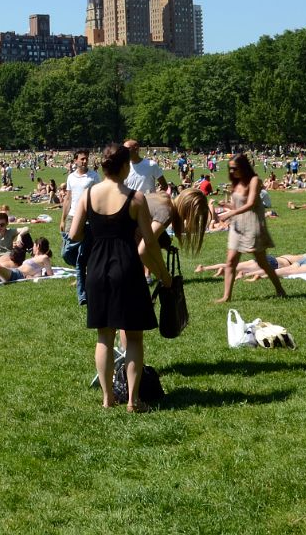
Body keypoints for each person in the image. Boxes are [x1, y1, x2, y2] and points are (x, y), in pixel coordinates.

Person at [68, 143, 172, 412]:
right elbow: (149, 243)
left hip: (97, 268)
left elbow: (75, 234)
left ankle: (107, 398)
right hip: (126, 268)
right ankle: (133, 401)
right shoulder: (136, 198)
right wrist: (162, 273)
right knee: (134, 337)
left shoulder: (88, 194)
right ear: (126, 166)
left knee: (104, 336)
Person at [215, 153, 286, 303]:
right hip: (237, 227)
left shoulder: (254, 180)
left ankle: (280, 290)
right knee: (230, 262)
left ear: (244, 167)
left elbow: (251, 203)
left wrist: (230, 213)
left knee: (262, 263)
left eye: (235, 169)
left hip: (252, 226)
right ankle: (226, 296)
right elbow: (238, 205)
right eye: (230, 169)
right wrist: (226, 206)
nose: (232, 172)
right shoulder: (236, 183)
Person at [62, 149, 100, 305]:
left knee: (81, 258)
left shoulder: (94, 176)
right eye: (82, 159)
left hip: (88, 218)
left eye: (86, 159)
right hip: (72, 217)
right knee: (66, 253)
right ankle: (85, 274)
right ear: (75, 160)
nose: (85, 161)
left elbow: (99, 197)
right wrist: (63, 219)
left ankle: (83, 294)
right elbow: (68, 198)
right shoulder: (71, 177)